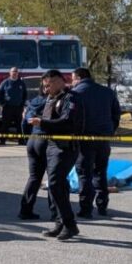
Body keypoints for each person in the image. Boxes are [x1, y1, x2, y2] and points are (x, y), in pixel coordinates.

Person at [29, 70, 84, 240]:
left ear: (59, 81)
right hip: (52, 145)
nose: (46, 89)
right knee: (59, 185)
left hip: (65, 147)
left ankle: (70, 224)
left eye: (48, 85)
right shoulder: (52, 98)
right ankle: (61, 222)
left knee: (54, 183)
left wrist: (42, 123)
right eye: (44, 86)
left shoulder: (71, 98)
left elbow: (67, 122)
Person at [71, 67, 121, 218]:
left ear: (78, 78)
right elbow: (116, 114)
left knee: (84, 174)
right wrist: (110, 131)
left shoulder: (76, 93)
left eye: (72, 79)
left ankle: (85, 208)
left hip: (84, 139)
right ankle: (102, 206)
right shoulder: (107, 92)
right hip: (103, 138)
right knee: (100, 172)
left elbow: (72, 117)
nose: (72, 83)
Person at [18, 83, 50, 220]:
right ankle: (56, 213)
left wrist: (27, 139)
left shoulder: (32, 102)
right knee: (54, 178)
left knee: (34, 177)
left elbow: (24, 123)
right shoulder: (52, 102)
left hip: (33, 140)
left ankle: (25, 210)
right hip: (47, 140)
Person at [0, 67, 27, 145]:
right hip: (7, 108)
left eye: (16, 71)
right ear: (10, 73)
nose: (14, 73)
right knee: (5, 125)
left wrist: (22, 104)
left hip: (18, 108)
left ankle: (21, 141)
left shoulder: (21, 83)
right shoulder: (5, 82)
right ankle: (2, 140)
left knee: (19, 125)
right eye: (13, 71)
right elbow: (0, 94)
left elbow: (25, 94)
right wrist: (2, 104)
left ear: (18, 73)